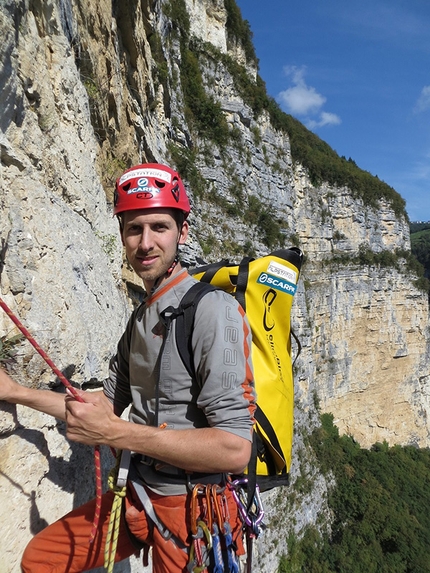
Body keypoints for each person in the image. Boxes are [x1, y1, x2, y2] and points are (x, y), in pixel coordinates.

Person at [0, 163, 256, 573]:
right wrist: (15, 392)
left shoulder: (214, 311)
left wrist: (118, 433)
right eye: (134, 229)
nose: (145, 243)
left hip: (193, 515)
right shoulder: (140, 319)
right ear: (121, 236)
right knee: (40, 559)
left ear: (182, 233)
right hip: (139, 492)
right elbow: (99, 406)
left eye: (159, 227)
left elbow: (234, 448)